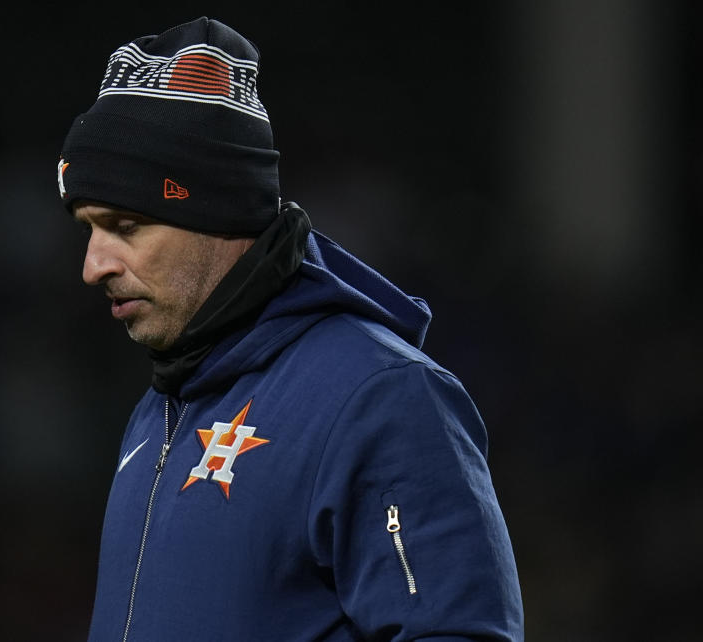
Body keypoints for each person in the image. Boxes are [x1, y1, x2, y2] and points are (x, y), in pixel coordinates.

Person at [58, 16, 524, 641]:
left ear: (216, 211)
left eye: (125, 226)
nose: (94, 266)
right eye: (87, 227)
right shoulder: (159, 408)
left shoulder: (379, 397)